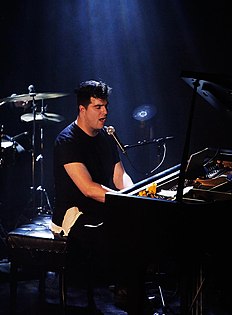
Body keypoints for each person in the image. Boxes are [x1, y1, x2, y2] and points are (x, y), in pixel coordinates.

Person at [49, 80, 151, 314]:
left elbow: (120, 176)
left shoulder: (106, 137)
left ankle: (131, 292)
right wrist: (126, 203)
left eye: (106, 106)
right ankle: (126, 291)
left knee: (145, 225)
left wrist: (136, 196)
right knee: (125, 234)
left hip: (103, 208)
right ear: (82, 109)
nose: (104, 112)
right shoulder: (67, 141)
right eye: (98, 107)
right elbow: (88, 188)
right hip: (74, 216)